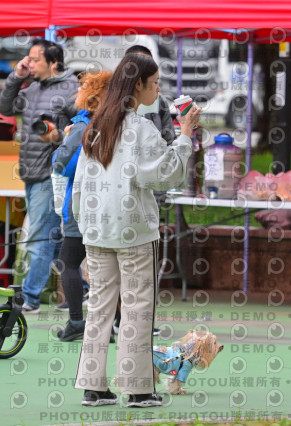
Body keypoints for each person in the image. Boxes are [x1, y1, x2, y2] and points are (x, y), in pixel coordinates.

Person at [72, 54, 201, 407]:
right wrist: (185, 134)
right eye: (154, 83)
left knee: (99, 307)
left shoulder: (96, 126)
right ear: (138, 84)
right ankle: (139, 387)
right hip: (134, 230)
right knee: (138, 307)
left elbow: (80, 185)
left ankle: (93, 387)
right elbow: (165, 174)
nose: (158, 89)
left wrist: (85, 226)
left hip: (97, 229)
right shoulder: (141, 128)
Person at [0, 39, 78, 314]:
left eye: (34, 60)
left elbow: (83, 132)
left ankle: (30, 298)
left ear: (53, 62)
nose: (29, 63)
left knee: (39, 237)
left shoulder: (72, 89)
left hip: (51, 172)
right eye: (28, 59)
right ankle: (80, 289)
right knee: (52, 238)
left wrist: (57, 139)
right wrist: (16, 77)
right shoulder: (33, 87)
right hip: (30, 172)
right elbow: (6, 108)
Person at [112, 44, 177, 338]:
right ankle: (125, 323)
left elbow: (167, 147)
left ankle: (137, 323)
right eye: (153, 81)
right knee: (127, 277)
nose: (157, 87)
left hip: (137, 203)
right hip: (124, 210)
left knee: (134, 278)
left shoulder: (155, 107)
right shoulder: (115, 114)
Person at [52, 70, 112, 341]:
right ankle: (113, 324)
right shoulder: (119, 125)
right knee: (110, 269)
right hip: (112, 207)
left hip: (81, 205)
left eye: (82, 87)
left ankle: (76, 321)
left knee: (68, 262)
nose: (77, 91)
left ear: (92, 96)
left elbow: (63, 165)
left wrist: (62, 145)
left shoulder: (82, 127)